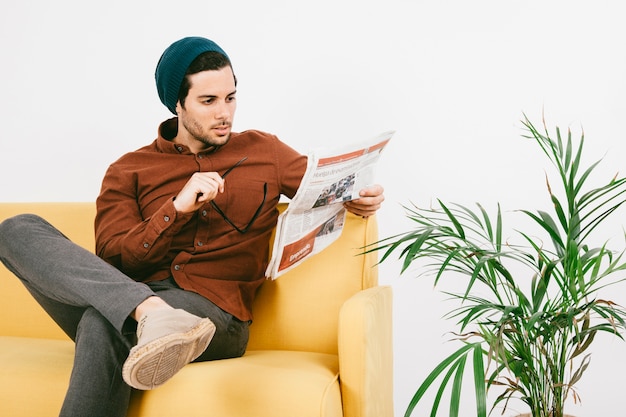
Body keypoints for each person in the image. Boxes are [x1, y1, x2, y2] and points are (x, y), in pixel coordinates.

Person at [0, 36, 384, 417]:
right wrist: (175, 210)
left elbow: (327, 182)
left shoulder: (266, 153)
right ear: (177, 105)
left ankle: (148, 315)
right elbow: (116, 263)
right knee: (15, 229)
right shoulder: (128, 170)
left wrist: (359, 196)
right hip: (133, 294)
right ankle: (149, 311)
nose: (225, 114)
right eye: (208, 101)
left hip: (214, 316)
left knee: (105, 321)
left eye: (230, 97)